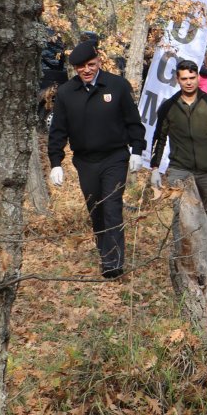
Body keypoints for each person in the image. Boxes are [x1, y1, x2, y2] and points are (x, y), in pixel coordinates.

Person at [47, 41, 146, 278]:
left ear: (99, 61)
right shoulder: (66, 93)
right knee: (96, 209)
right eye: (81, 67)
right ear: (75, 69)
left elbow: (133, 122)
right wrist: (55, 163)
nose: (87, 70)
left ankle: (113, 264)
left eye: (91, 65)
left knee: (112, 207)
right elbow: (58, 130)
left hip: (115, 157)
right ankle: (105, 253)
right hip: (85, 161)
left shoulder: (117, 85)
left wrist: (137, 150)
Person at [149, 59, 207, 260]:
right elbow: (158, 138)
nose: (189, 82)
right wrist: (154, 167)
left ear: (198, 77)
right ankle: (185, 260)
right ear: (177, 80)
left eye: (192, 77)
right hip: (180, 169)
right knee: (182, 217)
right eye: (184, 79)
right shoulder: (168, 106)